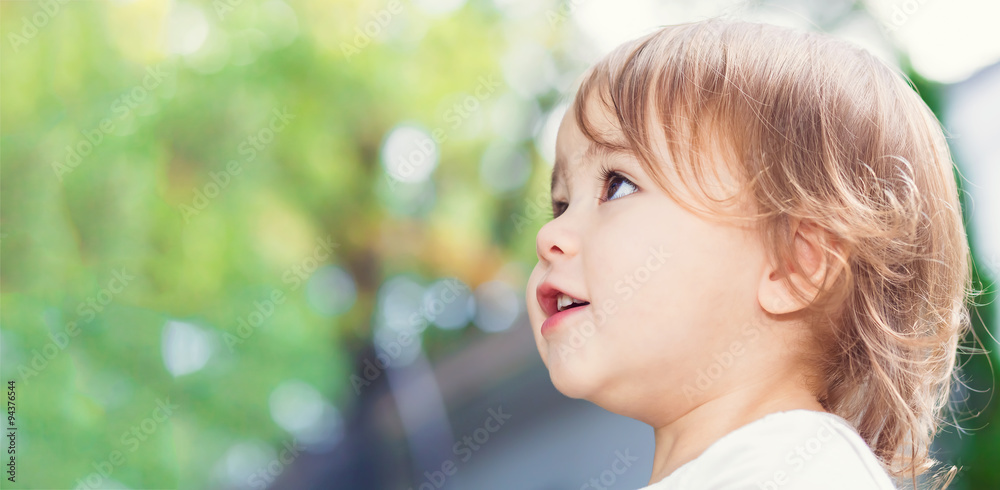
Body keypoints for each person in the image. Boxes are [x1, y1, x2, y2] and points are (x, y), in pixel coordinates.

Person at [525, 19, 973, 489]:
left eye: (617, 185)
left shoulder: (800, 469)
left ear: (794, 266)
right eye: (560, 203)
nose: (550, 234)